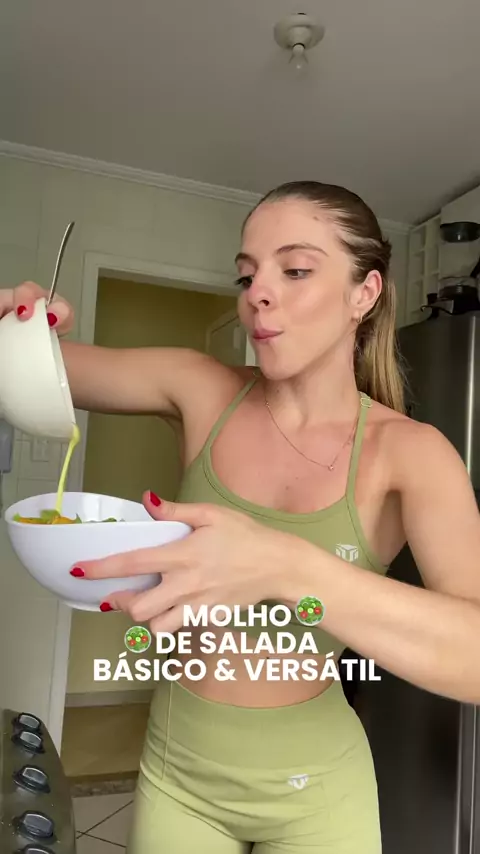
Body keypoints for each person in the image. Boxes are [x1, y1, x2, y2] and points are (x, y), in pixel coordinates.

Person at [3, 181, 480, 853]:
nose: (258, 293)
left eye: (296, 270)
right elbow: (23, 371)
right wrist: (13, 331)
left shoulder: (413, 454)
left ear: (364, 294)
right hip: (178, 774)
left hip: (318, 790)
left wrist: (284, 565)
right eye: (247, 274)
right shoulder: (200, 387)